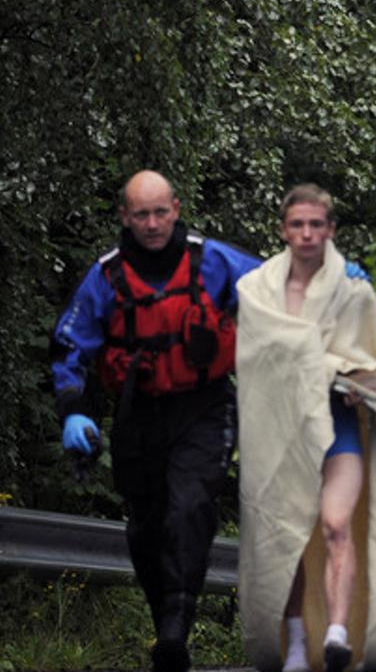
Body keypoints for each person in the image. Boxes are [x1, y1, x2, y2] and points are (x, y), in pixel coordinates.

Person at [236, 184, 376, 672]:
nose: (306, 234)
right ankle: (297, 640)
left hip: (339, 424)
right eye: (297, 224)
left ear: (331, 230)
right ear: (283, 230)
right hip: (283, 433)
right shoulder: (258, 292)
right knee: (290, 537)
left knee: (337, 524)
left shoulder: (354, 291)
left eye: (316, 225)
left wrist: (354, 380)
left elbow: (373, 362)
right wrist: (317, 364)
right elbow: (260, 365)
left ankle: (338, 632)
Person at [51, 170, 263, 671]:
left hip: (204, 406)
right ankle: (164, 615)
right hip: (138, 412)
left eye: (160, 212)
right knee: (146, 528)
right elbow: (70, 345)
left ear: (176, 208)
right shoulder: (106, 276)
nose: (151, 224)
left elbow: (276, 287)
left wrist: (330, 273)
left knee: (189, 506)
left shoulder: (211, 259)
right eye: (141, 214)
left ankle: (176, 625)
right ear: (124, 216)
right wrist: (73, 410)